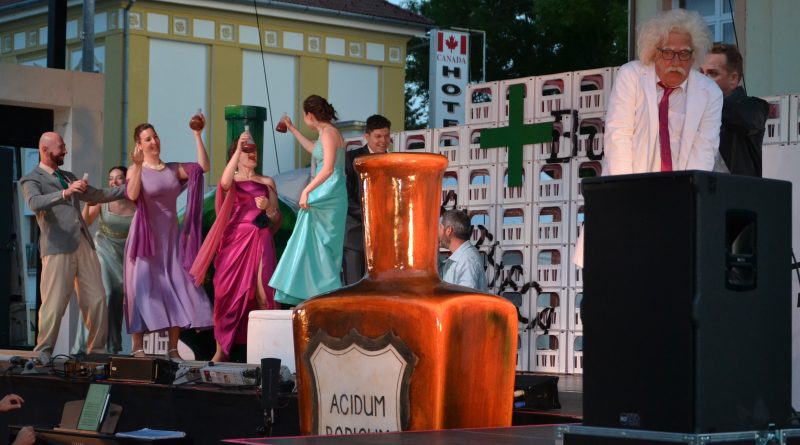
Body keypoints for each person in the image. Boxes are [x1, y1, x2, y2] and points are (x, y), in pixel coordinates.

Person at [20, 132, 125, 365]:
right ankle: (43, 352)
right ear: (45, 150)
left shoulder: (68, 176)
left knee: (98, 298)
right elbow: (35, 203)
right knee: (54, 304)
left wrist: (127, 189)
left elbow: (97, 194)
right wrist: (66, 192)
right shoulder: (31, 179)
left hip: (83, 243)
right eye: (61, 147)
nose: (65, 150)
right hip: (57, 247)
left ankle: (96, 350)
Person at [124, 120, 214, 361]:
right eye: (148, 139)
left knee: (178, 286)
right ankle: (137, 346)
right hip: (145, 238)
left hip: (171, 239)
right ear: (139, 145)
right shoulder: (135, 170)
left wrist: (197, 135)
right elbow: (132, 195)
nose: (154, 141)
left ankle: (173, 348)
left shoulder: (172, 168)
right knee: (141, 288)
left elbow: (203, 167)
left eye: (155, 136)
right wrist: (137, 165)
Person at [190, 132, 282, 362]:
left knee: (264, 295)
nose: (252, 153)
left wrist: (269, 208)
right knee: (226, 294)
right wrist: (239, 148)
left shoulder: (267, 182)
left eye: (254, 149)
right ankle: (221, 351)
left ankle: (267, 351)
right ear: (236, 155)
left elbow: (276, 219)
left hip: (260, 238)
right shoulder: (232, 180)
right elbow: (224, 183)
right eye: (246, 150)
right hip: (234, 241)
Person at [604, 8, 722, 175]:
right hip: (630, 183)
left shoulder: (710, 92)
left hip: (681, 187)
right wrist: (626, 186)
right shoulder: (631, 75)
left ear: (694, 55)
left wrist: (690, 188)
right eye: (667, 52)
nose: (676, 61)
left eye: (684, 53)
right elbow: (618, 136)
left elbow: (705, 150)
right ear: (654, 52)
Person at [269, 95, 347, 306]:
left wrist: (306, 190)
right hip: (328, 190)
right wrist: (292, 128)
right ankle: (313, 291)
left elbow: (328, 168)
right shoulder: (326, 132)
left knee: (320, 243)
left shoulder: (329, 133)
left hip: (329, 192)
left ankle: (323, 291)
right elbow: (314, 149)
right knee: (313, 241)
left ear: (310, 115)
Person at [72, 166, 135, 355]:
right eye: (111, 178)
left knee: (116, 299)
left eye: (119, 178)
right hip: (103, 250)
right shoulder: (103, 200)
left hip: (125, 257)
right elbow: (84, 224)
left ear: (128, 180)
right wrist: (87, 204)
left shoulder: (138, 203)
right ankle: (85, 346)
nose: (113, 182)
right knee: (104, 294)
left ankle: (111, 347)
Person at [701, 42, 769, 177]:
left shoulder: (754, 107)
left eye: (713, 74)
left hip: (736, 189)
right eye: (701, 73)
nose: (703, 80)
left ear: (733, 78)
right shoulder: (698, 107)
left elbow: (748, 120)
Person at [342, 114, 392, 285]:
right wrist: (370, 217)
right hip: (355, 235)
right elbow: (345, 196)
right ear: (366, 136)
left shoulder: (393, 162)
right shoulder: (351, 159)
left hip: (384, 238)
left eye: (386, 136)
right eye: (378, 136)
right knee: (354, 286)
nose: (383, 141)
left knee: (382, 286)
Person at [438, 209, 488, 292]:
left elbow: (465, 298)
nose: (437, 232)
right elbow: (439, 276)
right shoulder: (459, 257)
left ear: (448, 231)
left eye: (440, 228)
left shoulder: (467, 260)